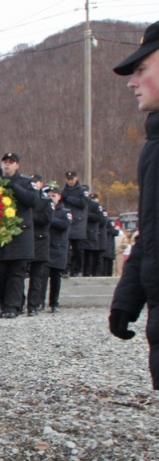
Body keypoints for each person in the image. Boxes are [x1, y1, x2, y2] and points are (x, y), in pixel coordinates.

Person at [109, 20, 159, 390]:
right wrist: (129, 296)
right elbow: (152, 230)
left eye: (141, 69)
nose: (131, 82)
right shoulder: (153, 144)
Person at [0, 152, 36, 318]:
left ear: (17, 165)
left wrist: (14, 187)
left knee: (17, 273)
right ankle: (5, 304)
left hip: (20, 235)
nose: (7, 165)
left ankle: (13, 306)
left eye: (11, 162)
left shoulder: (25, 182)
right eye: (5, 162)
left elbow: (33, 201)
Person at [26, 174, 53, 315]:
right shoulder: (25, 199)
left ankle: (33, 305)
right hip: (25, 240)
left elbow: (46, 218)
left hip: (40, 241)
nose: (33, 185)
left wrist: (29, 217)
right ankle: (17, 303)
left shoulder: (46, 201)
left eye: (35, 183)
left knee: (36, 276)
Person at [44, 186, 71, 313]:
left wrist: (49, 217)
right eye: (49, 196)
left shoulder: (65, 212)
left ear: (59, 197)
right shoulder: (43, 209)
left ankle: (54, 303)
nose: (51, 198)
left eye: (53, 196)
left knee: (55, 278)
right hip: (45, 247)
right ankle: (38, 302)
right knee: (41, 277)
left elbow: (64, 225)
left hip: (58, 248)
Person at [61, 171, 88, 276]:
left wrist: (68, 198)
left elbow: (83, 203)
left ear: (76, 178)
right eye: (68, 179)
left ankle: (78, 269)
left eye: (71, 179)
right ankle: (66, 268)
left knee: (78, 249)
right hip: (68, 220)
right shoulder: (64, 191)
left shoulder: (82, 190)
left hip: (78, 223)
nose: (70, 181)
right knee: (66, 247)